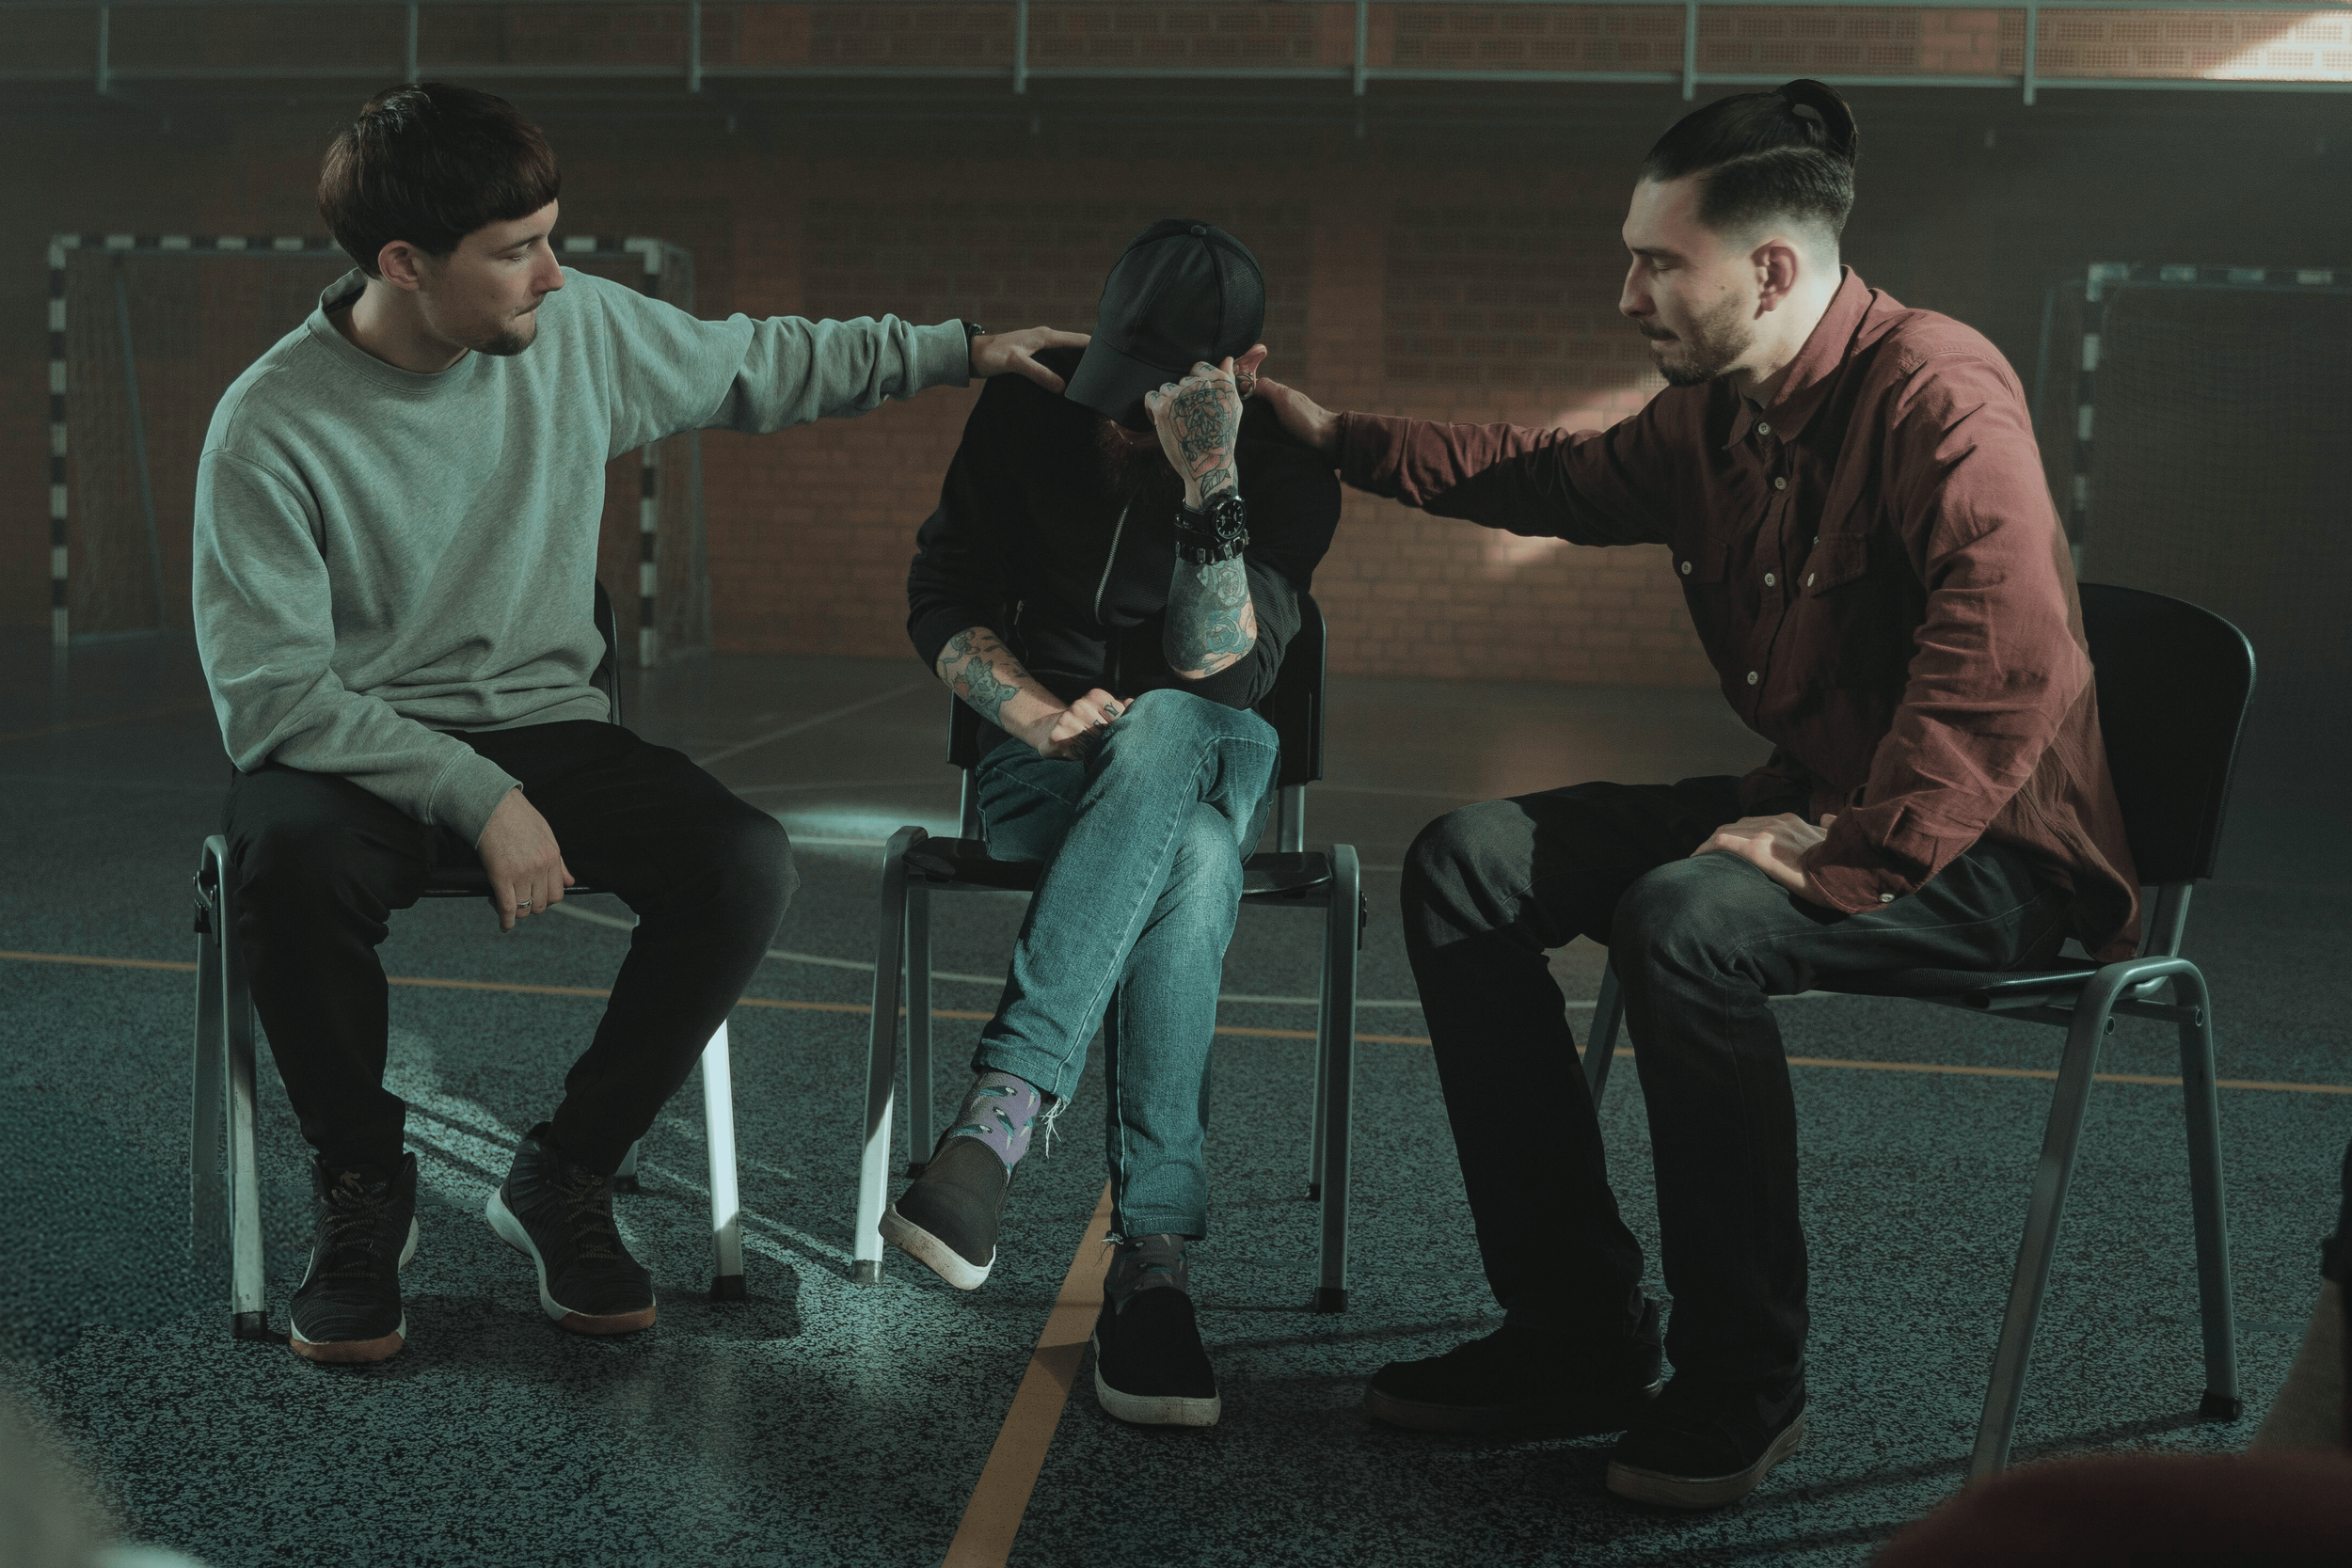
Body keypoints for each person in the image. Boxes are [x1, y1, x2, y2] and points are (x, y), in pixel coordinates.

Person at [1249, 79, 2138, 1507]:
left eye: (1658, 262)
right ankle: (1577, 1331)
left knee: (1684, 920)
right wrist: (1336, 435)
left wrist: (1856, 848)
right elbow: (1547, 473)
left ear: (1769, 268)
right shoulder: (1714, 420)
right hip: (1815, 802)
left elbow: (2011, 646)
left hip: (1992, 861)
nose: (1628, 294)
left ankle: (1743, 1381)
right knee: (1466, 858)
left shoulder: (1937, 387)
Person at [194, 80, 1081, 1364]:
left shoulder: (580, 331)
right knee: (283, 854)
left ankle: (563, 1170)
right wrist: (476, 796)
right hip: (353, 745)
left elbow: (763, 359)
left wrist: (962, 347)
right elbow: (272, 696)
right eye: (516, 252)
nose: (555, 275)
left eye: (554, 235)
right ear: (402, 263)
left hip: (549, 725)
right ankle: (363, 1184)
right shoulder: (268, 425)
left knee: (742, 860)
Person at [891, 219, 1340, 1427]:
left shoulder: (1287, 467)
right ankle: (1154, 1266)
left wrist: (1211, 478)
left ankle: (998, 1117)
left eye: (1154, 402)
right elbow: (943, 593)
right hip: (1044, 765)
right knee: (1189, 857)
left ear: (1240, 371)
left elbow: (1217, 671)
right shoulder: (1035, 412)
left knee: (1173, 730)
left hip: (1209, 741)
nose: (1118, 417)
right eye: (1116, 390)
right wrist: (1033, 714)